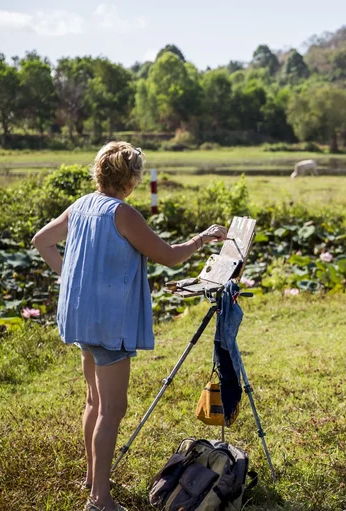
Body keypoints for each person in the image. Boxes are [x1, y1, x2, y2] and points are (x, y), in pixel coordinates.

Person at [32, 141, 227, 511]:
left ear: (100, 171)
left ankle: (93, 478)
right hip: (108, 323)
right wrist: (202, 239)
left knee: (93, 400)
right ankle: (99, 499)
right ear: (132, 178)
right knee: (112, 409)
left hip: (80, 317)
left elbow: (42, 241)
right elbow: (169, 257)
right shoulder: (123, 213)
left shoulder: (81, 205)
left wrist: (69, 279)